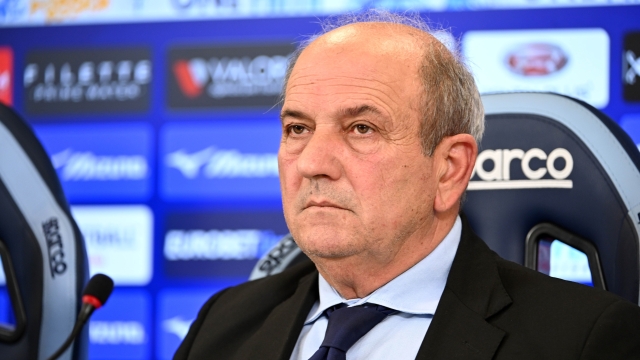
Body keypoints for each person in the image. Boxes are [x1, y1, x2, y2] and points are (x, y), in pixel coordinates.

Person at [174, 11, 640, 360]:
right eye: (298, 129)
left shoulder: (583, 340)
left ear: (449, 169)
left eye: (361, 129)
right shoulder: (224, 324)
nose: (313, 162)